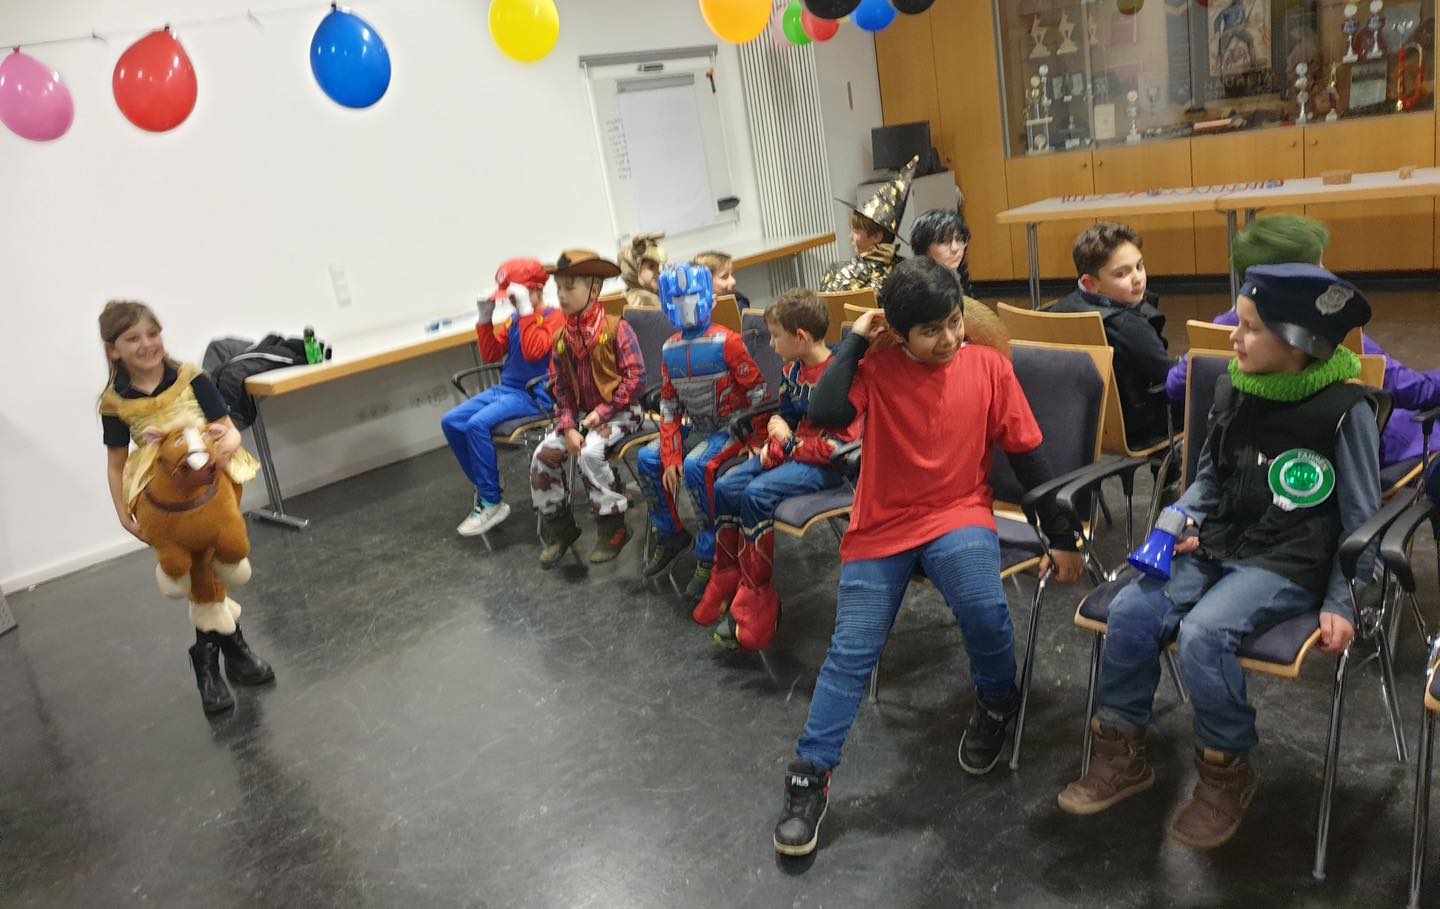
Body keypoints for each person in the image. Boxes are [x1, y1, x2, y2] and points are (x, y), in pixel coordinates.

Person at [1058, 264, 1381, 851]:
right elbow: (1208, 478)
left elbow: (1363, 520)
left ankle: (1225, 770)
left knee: (1205, 633)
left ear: (1298, 342)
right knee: (1132, 610)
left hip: (1288, 559)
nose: (1233, 336)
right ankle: (1121, 752)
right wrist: (1174, 521)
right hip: (1218, 543)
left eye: (1250, 327)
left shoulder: (1344, 410)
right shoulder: (1235, 388)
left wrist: (1344, 599)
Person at [771, 258, 1085, 858]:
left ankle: (998, 699)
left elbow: (1028, 455)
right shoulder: (877, 368)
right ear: (898, 332)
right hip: (881, 524)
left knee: (983, 608)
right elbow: (827, 413)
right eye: (930, 330)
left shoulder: (988, 367)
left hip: (957, 512)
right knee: (850, 651)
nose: (948, 339)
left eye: (954, 322)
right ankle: (811, 773)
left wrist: (1063, 536)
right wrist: (855, 340)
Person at [97, 300, 274, 713]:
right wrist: (123, 512)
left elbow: (230, 431)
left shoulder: (191, 378)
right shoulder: (115, 402)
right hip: (162, 493)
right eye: (133, 338)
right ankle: (229, 655)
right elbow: (116, 463)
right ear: (113, 350)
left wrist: (224, 447)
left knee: (208, 562)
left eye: (153, 333)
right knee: (199, 566)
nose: (147, 344)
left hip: (211, 480)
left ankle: (213, 661)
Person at [1166, 214, 1440, 469]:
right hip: (1339, 457)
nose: (1327, 271)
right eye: (1318, 266)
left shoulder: (1222, 328)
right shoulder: (1330, 338)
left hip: (1245, 458)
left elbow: (1176, 386)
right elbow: (1416, 391)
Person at [695, 289, 859, 651]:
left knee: (757, 493)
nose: (770, 344)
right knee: (726, 487)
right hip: (793, 451)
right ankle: (729, 576)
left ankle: (758, 596)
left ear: (800, 337)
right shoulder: (792, 370)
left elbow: (840, 447)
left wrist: (787, 442)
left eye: (775, 336)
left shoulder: (843, 376)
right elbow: (785, 415)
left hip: (828, 466)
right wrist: (773, 435)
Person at [636, 264, 766, 599]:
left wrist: (755, 437)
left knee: (696, 466)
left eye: (691, 297)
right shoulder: (670, 349)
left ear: (708, 298)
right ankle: (671, 533)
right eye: (677, 299)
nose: (685, 305)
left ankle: (713, 554)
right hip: (697, 427)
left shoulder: (728, 341)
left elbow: (758, 393)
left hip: (731, 427)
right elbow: (669, 407)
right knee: (648, 458)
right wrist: (669, 456)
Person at [529, 250, 646, 567]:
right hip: (582, 418)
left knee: (590, 452)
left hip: (623, 412)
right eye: (559, 288)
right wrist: (568, 426)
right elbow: (563, 390)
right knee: (542, 455)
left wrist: (604, 412)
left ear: (594, 290)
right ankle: (561, 528)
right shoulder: (562, 338)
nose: (562, 295)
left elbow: (636, 378)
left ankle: (613, 527)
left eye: (570, 287)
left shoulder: (616, 329)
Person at [441, 258, 560, 537]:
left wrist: (527, 312)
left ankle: (491, 501)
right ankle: (486, 484)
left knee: (477, 424)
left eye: (515, 296)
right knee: (452, 421)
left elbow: (533, 351)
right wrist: (484, 321)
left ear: (536, 289)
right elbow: (491, 354)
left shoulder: (555, 318)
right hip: (507, 389)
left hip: (535, 395)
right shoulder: (515, 319)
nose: (511, 302)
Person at [1052, 222, 1176, 448]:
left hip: (1078, 427)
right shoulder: (1127, 325)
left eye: (1139, 266)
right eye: (1121, 274)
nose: (1137, 278)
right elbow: (1168, 375)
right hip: (1138, 427)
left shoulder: (1058, 310)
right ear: (1090, 283)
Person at [912, 207, 1012, 358]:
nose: (955, 248)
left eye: (959, 240)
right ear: (924, 248)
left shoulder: (953, 278)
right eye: (943, 241)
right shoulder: (918, 288)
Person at [819, 156, 918, 293]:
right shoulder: (908, 272)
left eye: (856, 231)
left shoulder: (902, 274)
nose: (850, 237)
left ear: (877, 236)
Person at [693, 250, 751, 320]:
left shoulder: (738, 303)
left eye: (731, 274)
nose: (733, 281)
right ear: (705, 282)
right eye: (724, 277)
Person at [619, 233, 667, 309]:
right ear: (633, 270)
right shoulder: (645, 300)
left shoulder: (628, 295)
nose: (658, 272)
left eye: (658, 266)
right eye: (651, 267)